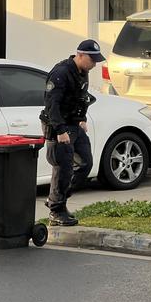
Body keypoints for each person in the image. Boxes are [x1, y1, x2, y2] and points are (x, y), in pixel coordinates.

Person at [40, 39, 104, 226]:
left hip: (74, 124)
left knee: (85, 163)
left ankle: (56, 198)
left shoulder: (83, 71)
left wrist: (82, 118)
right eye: (92, 60)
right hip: (58, 125)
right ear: (80, 55)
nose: (94, 64)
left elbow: (81, 97)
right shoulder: (60, 73)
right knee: (63, 168)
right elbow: (52, 105)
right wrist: (60, 130)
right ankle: (56, 210)